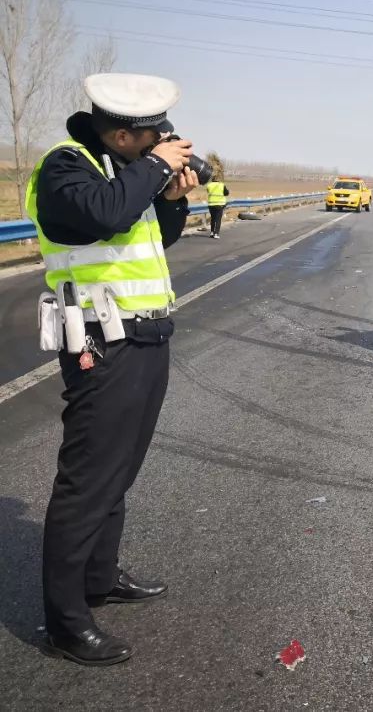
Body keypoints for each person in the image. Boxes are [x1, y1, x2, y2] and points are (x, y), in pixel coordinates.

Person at [25, 73, 199, 667]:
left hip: (148, 333)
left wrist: (171, 200)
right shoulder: (65, 168)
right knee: (87, 482)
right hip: (99, 342)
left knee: (119, 471)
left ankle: (100, 578)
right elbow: (104, 216)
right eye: (154, 137)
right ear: (124, 134)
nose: (165, 143)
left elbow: (148, 237)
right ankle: (66, 624)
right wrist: (153, 172)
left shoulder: (122, 169)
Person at [205, 169, 229, 239]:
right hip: (219, 204)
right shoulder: (221, 185)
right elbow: (226, 193)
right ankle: (216, 233)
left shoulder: (209, 185)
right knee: (218, 219)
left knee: (213, 218)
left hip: (211, 205)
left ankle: (212, 232)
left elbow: (208, 192)